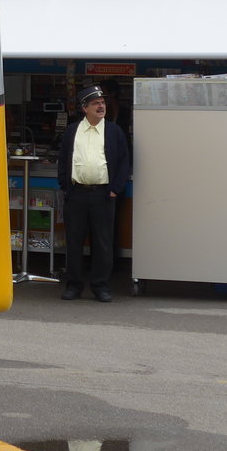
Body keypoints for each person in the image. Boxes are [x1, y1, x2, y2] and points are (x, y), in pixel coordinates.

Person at [57, 84, 130, 302]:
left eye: (103, 102)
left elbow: (125, 162)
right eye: (96, 103)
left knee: (103, 243)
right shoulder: (72, 131)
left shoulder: (114, 131)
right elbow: (63, 160)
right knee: (74, 242)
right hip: (76, 194)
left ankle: (101, 286)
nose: (101, 106)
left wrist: (115, 190)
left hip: (103, 195)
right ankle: (74, 285)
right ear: (84, 108)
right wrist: (65, 187)